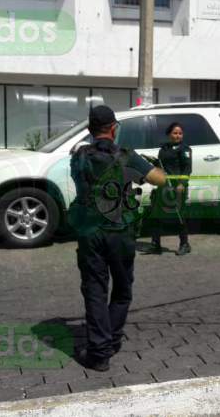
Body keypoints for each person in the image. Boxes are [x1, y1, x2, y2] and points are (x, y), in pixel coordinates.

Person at [69, 105, 166, 372]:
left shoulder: (77, 156)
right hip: (120, 233)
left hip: (90, 232)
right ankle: (111, 340)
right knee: (122, 290)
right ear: (114, 128)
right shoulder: (127, 156)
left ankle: (99, 354)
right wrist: (149, 168)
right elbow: (160, 180)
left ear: (90, 130)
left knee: (95, 291)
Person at [147, 122, 192, 256]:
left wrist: (182, 184)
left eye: (180, 133)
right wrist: (154, 162)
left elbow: (187, 168)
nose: (178, 135)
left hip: (177, 187)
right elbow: (162, 166)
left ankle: (184, 244)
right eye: (175, 133)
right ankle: (156, 245)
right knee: (156, 215)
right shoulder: (164, 149)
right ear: (169, 134)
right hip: (163, 186)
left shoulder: (185, 149)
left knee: (179, 216)